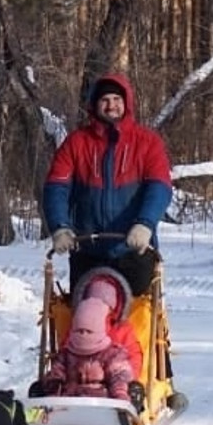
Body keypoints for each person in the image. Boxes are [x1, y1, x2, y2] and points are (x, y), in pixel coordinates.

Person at [42, 72, 172, 297]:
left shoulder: (147, 142)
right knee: (83, 321)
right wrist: (60, 226)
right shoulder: (77, 143)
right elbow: (56, 187)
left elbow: (159, 187)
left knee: (137, 321)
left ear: (126, 103)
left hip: (135, 250)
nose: (111, 105)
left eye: (117, 99)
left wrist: (145, 223)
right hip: (87, 251)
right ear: (95, 105)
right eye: (105, 100)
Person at [32, 289, 138, 401]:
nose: (83, 335)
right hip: (72, 402)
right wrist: (53, 390)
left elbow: (118, 377)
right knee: (37, 388)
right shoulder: (67, 354)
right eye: (79, 331)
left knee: (134, 389)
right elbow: (57, 374)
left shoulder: (111, 355)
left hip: (102, 403)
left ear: (99, 331)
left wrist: (120, 396)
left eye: (88, 331)